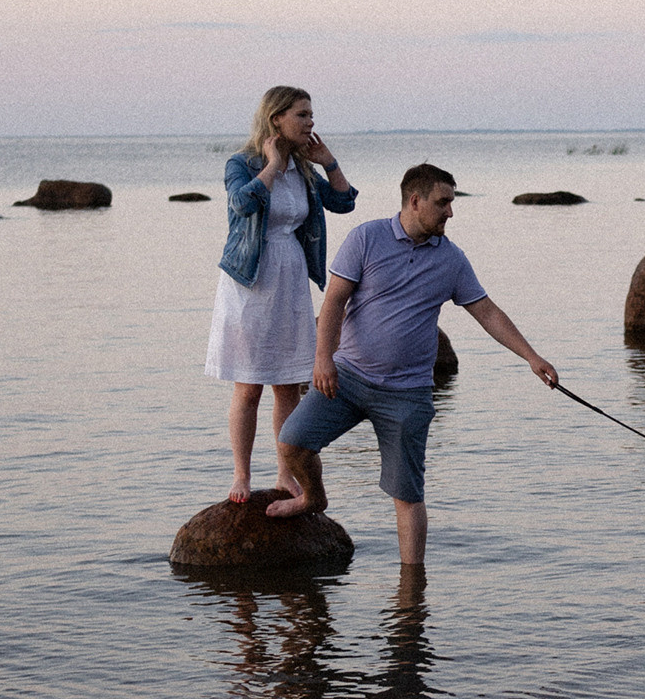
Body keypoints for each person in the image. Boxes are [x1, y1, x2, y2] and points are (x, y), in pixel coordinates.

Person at [268, 162, 558, 567]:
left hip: (408, 393)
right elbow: (334, 302)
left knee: (407, 495)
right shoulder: (366, 238)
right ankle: (314, 497)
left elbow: (486, 311)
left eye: (452, 202)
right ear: (415, 200)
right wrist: (323, 361)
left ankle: (412, 588)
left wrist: (532, 356)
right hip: (348, 377)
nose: (451, 212)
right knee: (292, 441)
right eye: (443, 203)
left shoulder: (451, 259)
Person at [206, 88, 358, 502]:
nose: (310, 122)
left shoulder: (306, 170)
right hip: (250, 281)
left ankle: (285, 475)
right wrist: (273, 165)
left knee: (288, 386)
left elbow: (344, 203)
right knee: (249, 385)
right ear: (277, 119)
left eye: (311, 114)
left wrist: (329, 163)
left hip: (290, 278)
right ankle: (240, 474)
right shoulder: (243, 163)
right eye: (302, 114)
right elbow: (242, 203)